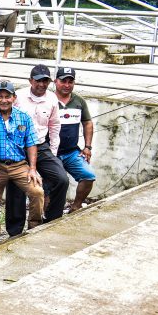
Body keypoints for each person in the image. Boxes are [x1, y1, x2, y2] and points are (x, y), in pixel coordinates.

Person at [0, 81, 45, 239]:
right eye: (0, 96)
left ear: (14, 98)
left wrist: (32, 168)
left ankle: (34, 227)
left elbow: (31, 144)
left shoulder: (24, 117)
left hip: (19, 165)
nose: (4, 100)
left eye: (8, 96)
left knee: (37, 191)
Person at [15, 64, 68, 222]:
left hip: (41, 145)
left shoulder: (52, 98)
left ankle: (52, 219)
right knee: (16, 187)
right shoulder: (18, 96)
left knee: (61, 179)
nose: (42, 84)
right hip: (20, 146)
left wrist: (52, 151)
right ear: (30, 80)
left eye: (45, 81)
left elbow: (54, 124)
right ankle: (15, 228)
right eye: (38, 81)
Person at [54, 67, 96, 213]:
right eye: (63, 81)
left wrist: (87, 147)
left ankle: (76, 206)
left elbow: (87, 123)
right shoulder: (49, 100)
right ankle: (50, 213)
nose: (66, 85)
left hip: (72, 152)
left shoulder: (79, 101)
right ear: (55, 81)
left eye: (70, 82)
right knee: (55, 183)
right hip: (52, 153)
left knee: (88, 175)